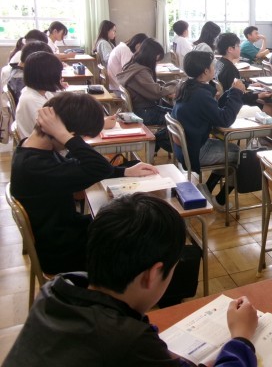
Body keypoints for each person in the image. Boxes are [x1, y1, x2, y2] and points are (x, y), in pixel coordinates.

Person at [3, 193, 259, 366]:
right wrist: (241, 338)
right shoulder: (127, 341)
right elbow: (127, 345)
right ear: (152, 275)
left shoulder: (60, 289)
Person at [10, 93, 158, 275]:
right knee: (142, 235)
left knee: (129, 219)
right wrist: (64, 135)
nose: (78, 142)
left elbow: (79, 168)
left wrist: (125, 171)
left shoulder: (31, 149)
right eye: (79, 137)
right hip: (63, 253)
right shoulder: (35, 166)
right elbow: (99, 168)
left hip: (65, 234)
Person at [173, 50, 245, 210]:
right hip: (196, 150)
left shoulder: (185, 86)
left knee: (229, 150)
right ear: (205, 71)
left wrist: (229, 92)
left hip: (186, 147)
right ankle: (221, 199)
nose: (214, 68)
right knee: (240, 155)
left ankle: (207, 188)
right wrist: (236, 93)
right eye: (212, 66)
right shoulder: (200, 94)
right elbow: (225, 120)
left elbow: (213, 110)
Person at [117, 38, 177, 152]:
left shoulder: (134, 66)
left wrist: (167, 87)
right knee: (178, 118)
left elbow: (152, 87)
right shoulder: (141, 72)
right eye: (157, 59)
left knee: (177, 112)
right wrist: (175, 86)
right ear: (151, 57)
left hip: (141, 109)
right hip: (144, 112)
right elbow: (156, 93)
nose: (157, 63)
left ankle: (158, 140)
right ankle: (157, 138)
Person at [15, 51, 64, 139]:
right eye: (59, 72)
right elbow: (54, 131)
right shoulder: (32, 100)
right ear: (47, 75)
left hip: (44, 140)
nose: (60, 76)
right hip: (41, 144)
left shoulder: (41, 92)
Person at [215, 33, 272, 107]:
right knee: (269, 105)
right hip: (233, 106)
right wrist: (259, 95)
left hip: (224, 102)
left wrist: (250, 85)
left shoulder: (220, 62)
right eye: (238, 46)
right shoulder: (230, 69)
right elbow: (239, 97)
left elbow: (233, 86)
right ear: (230, 49)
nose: (240, 48)